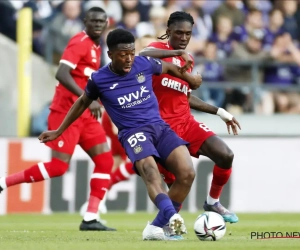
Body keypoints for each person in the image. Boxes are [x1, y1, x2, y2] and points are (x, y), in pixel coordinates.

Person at [38, 28, 202, 241]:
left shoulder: (143, 64)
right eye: (123, 54)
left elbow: (169, 67)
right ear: (111, 55)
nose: (128, 59)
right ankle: (172, 218)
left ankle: (155, 227)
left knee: (187, 173)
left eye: (132, 53)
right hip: (133, 133)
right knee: (150, 172)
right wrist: (59, 130)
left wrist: (189, 78)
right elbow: (81, 103)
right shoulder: (99, 79)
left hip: (159, 127)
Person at [0, 7, 116, 231]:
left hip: (87, 115)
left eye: (102, 21)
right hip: (66, 113)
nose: (99, 24)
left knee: (105, 160)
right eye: (94, 21)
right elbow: (61, 73)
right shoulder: (79, 42)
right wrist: (87, 98)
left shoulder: (96, 45)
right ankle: (4, 182)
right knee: (58, 167)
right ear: (85, 21)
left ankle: (90, 218)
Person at [139, 11, 241, 224]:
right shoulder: (159, 50)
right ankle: (164, 225)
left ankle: (212, 202)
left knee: (226, 155)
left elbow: (184, 96)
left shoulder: (189, 59)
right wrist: (176, 52)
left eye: (188, 34)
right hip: (162, 129)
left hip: (186, 122)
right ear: (168, 32)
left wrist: (220, 112)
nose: (184, 38)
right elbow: (142, 54)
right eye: (179, 33)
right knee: (180, 181)